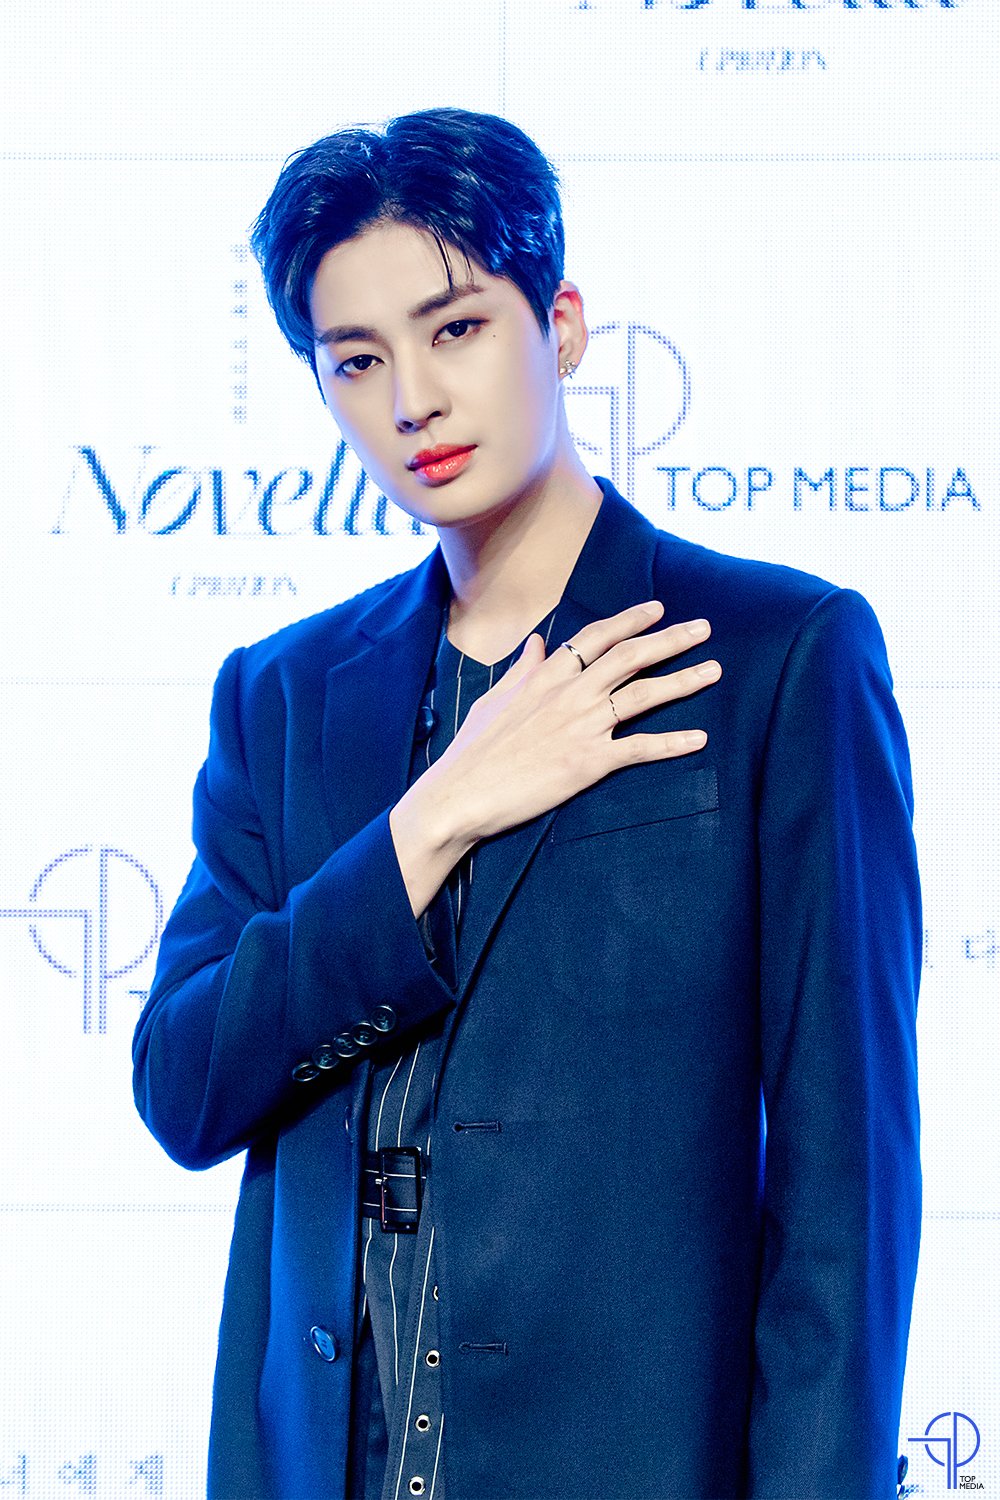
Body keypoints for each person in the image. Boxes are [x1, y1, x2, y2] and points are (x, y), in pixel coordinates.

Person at [132, 108, 921, 1500]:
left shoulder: (775, 657)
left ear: (560, 327)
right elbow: (187, 1086)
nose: (413, 400)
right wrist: (430, 820)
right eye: (357, 360)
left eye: (456, 330)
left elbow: (844, 1194)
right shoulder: (282, 694)